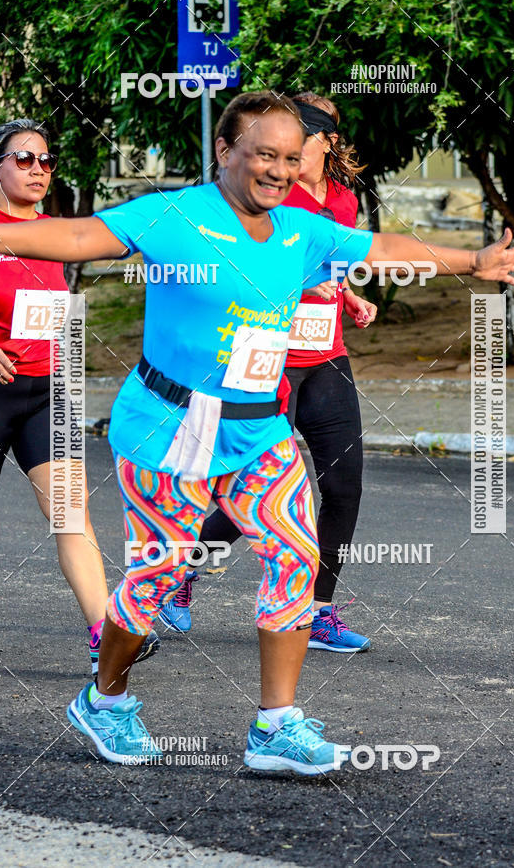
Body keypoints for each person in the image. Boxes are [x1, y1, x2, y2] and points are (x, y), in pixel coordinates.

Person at [0, 93, 514, 772]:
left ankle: (276, 725)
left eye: (290, 156)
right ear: (226, 151)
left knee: (296, 557)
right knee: (154, 579)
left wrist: (473, 263)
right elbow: (70, 238)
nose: (279, 170)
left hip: (258, 428)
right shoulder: (175, 214)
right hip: (170, 428)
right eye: (264, 154)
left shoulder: (304, 233)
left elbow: (386, 247)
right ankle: (106, 698)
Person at [160, 92, 378, 654]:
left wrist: (346, 298)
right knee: (253, 490)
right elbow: (244, 271)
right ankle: (181, 570)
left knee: (344, 486)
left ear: (324, 142)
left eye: (299, 136)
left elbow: (331, 267)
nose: (283, 149)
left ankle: (318, 611)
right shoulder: (269, 200)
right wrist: (302, 286)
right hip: (267, 360)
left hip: (325, 356)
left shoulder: (344, 203)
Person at [0, 119, 159, 673]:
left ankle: (104, 632)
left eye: (46, 161)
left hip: (48, 393)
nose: (38, 170)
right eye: (25, 160)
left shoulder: (58, 234)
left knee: (70, 514)